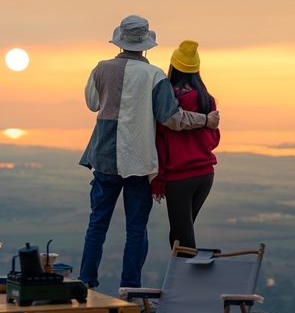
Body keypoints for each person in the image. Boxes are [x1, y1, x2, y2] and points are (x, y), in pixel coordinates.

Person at [78, 16, 220, 289]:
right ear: (145, 45)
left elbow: (92, 104)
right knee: (136, 229)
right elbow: (171, 119)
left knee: (97, 226)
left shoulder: (101, 69)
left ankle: (86, 284)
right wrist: (205, 120)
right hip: (139, 160)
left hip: (104, 158)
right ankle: (130, 288)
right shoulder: (155, 75)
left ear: (119, 41)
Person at [151, 41, 220, 251]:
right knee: (181, 234)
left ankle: (190, 280)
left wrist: (158, 182)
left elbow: (161, 146)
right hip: (205, 175)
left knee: (181, 239)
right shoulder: (208, 100)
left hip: (179, 178)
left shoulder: (169, 101)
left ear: (173, 67)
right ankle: (184, 280)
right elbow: (214, 140)